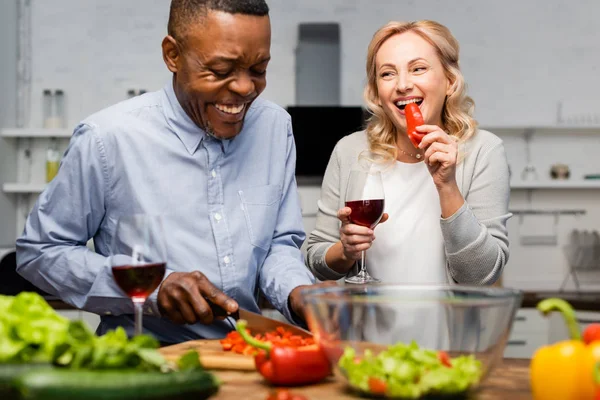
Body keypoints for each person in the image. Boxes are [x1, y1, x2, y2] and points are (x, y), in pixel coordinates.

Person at [16, 0, 318, 344]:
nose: (245, 88)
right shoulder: (106, 139)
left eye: (259, 69)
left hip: (245, 356)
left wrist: (297, 292)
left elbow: (278, 244)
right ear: (172, 55)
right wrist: (154, 287)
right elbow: (40, 251)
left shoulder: (275, 127)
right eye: (221, 70)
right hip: (146, 362)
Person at [306, 20, 511, 287]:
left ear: (450, 81)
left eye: (418, 69)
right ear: (377, 92)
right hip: (366, 327)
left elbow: (481, 275)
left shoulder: (483, 151)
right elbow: (316, 259)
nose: (403, 85)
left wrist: (447, 186)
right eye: (388, 74)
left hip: (447, 328)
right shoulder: (350, 150)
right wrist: (345, 251)